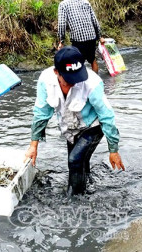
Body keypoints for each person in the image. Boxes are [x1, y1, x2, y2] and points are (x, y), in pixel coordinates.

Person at [25, 46, 125, 196]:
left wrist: (113, 149)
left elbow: (106, 115)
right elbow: (41, 113)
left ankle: (74, 201)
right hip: (70, 127)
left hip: (93, 126)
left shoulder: (92, 82)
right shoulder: (45, 81)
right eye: (68, 80)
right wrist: (33, 145)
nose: (73, 83)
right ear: (56, 72)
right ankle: (87, 187)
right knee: (77, 163)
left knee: (74, 160)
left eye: (76, 79)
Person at [57, 0, 105, 74]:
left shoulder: (63, 5)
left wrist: (61, 41)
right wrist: (100, 37)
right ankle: (95, 81)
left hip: (78, 40)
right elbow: (94, 21)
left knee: (78, 63)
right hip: (91, 37)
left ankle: (81, 83)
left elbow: (62, 24)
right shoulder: (85, 2)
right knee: (92, 60)